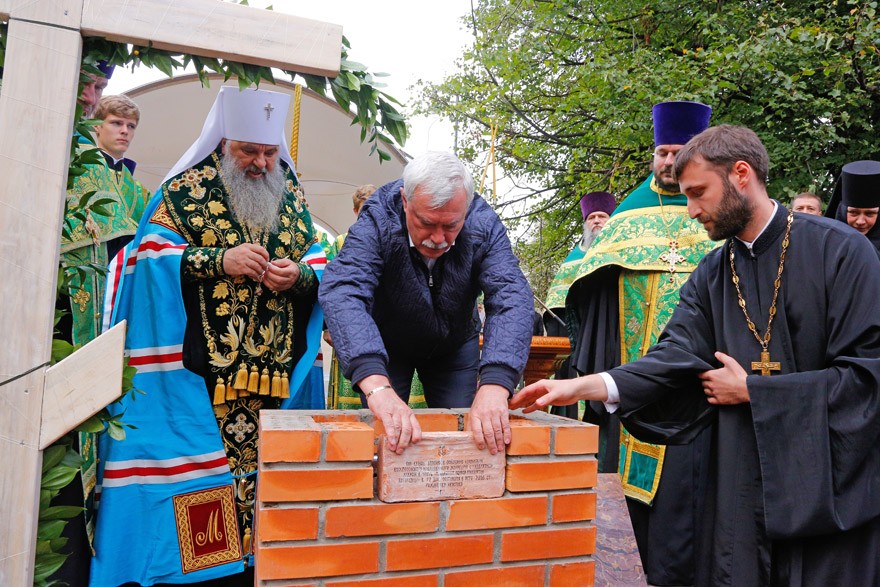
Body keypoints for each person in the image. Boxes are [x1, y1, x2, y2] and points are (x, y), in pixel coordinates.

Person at [512, 124, 880, 586]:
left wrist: (756, 391)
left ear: (741, 174)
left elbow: (867, 377)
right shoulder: (714, 270)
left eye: (698, 193)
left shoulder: (842, 251)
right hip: (742, 480)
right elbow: (676, 353)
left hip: (824, 486)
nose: (691, 210)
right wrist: (587, 385)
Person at [90, 87, 327, 586]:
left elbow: (319, 258)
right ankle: (203, 575)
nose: (261, 164)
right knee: (200, 486)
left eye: (270, 153)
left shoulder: (292, 192)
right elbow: (144, 259)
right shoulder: (185, 190)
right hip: (201, 383)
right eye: (249, 151)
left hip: (274, 383)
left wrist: (301, 276)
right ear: (223, 143)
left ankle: (253, 568)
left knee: (263, 488)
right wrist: (219, 260)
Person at [563, 101, 717, 586]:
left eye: (678, 153)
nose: (669, 162)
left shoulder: (716, 214)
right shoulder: (626, 215)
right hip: (630, 379)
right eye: (662, 152)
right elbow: (587, 293)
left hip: (700, 384)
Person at [319, 151, 534, 455]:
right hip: (387, 344)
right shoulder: (378, 217)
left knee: (468, 439)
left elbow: (511, 295)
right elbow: (344, 288)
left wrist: (496, 384)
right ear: (405, 201)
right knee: (386, 439)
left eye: (451, 226)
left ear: (466, 209)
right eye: (427, 223)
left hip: (455, 344)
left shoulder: (483, 223)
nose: (438, 238)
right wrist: (376, 385)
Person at [542, 191, 616, 419]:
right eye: (591, 217)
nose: (596, 221)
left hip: (607, 330)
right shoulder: (573, 258)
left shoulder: (619, 252)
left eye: (602, 216)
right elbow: (556, 302)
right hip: (573, 332)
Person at [836, 160, 880, 255]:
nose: (860, 221)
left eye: (869, 214)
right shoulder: (828, 247)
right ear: (843, 212)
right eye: (854, 213)